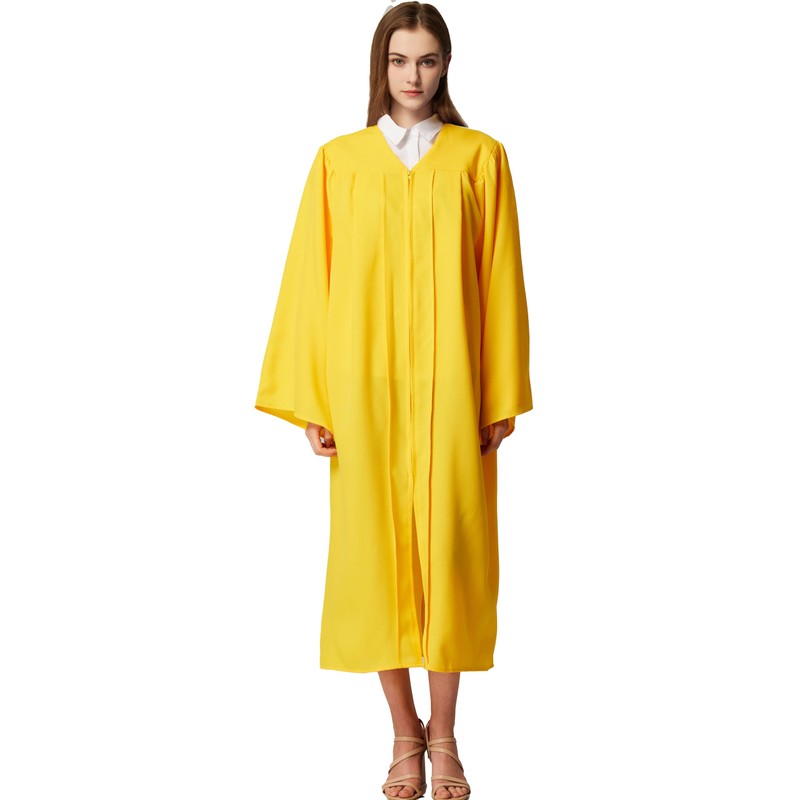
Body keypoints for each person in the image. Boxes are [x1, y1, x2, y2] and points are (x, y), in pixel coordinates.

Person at [254, 2, 532, 797]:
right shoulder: (339, 162)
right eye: (400, 60)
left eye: (428, 60)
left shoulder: (481, 158)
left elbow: (501, 278)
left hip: (454, 388)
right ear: (381, 66)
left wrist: (499, 391)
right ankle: (403, 736)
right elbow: (311, 280)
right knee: (375, 557)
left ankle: (445, 735)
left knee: (451, 556)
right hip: (363, 389)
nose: (414, 76)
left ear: (446, 66)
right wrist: (314, 397)